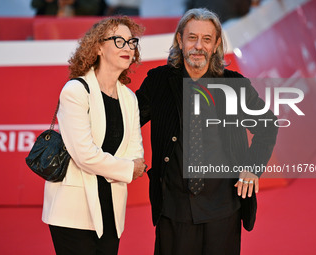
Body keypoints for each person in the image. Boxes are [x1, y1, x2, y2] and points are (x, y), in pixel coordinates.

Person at [136, 8, 278, 255]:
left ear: (216, 45)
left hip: (223, 208)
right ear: (180, 40)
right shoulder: (157, 81)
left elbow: (267, 124)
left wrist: (253, 167)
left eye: (207, 39)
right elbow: (127, 122)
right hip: (173, 208)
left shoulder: (235, 85)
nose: (198, 46)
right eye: (192, 38)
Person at [42, 16, 146, 255]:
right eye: (119, 40)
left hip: (111, 210)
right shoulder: (76, 91)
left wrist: (127, 165)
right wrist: (127, 169)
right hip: (72, 213)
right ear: (98, 47)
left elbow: (135, 152)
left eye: (132, 43)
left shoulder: (129, 98)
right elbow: (85, 155)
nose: (128, 48)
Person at [31, 0, 106, 16]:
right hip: (50, 28)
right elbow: (34, 4)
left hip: (78, 29)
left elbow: (94, 10)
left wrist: (74, 3)